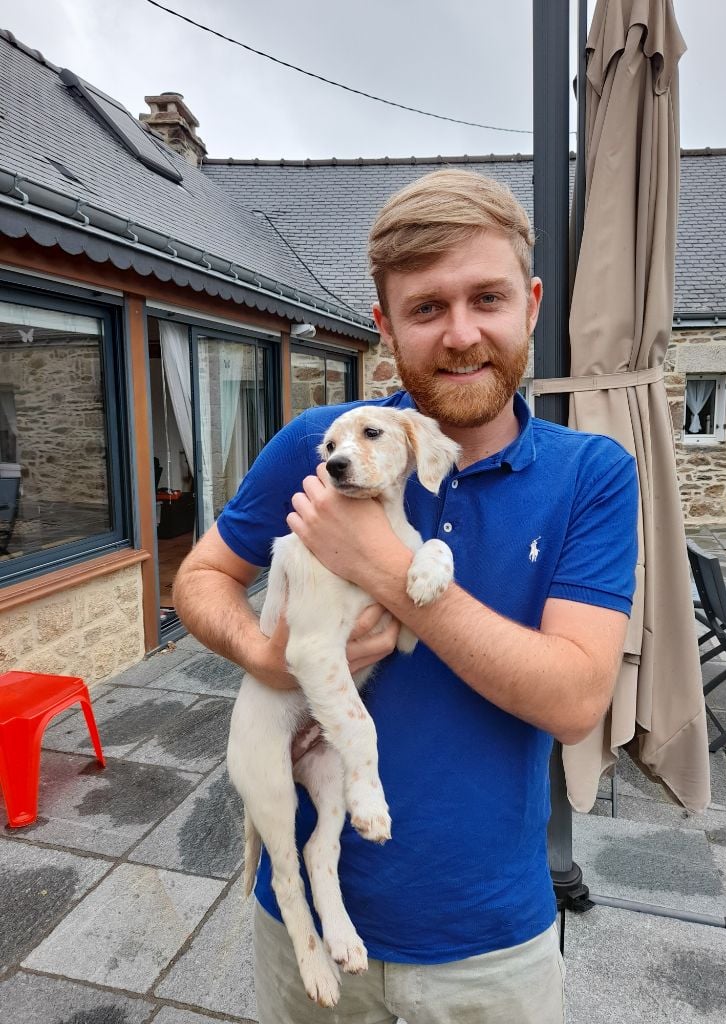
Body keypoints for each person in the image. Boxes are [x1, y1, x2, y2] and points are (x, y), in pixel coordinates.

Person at [173, 169, 638, 1024]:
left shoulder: (591, 477)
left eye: (487, 298)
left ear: (531, 304)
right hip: (307, 921)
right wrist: (264, 656)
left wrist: (388, 570)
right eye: (426, 309)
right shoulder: (322, 444)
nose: (462, 335)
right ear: (385, 328)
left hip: (489, 941)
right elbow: (200, 578)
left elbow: (577, 701)